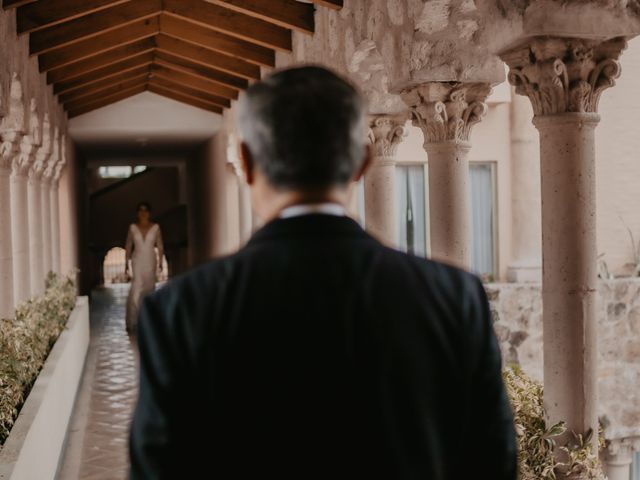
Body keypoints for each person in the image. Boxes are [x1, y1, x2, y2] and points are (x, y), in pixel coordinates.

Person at [129, 66, 517, 479]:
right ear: (362, 162)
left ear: (245, 161)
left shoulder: (180, 310)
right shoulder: (453, 298)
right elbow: (492, 463)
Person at [124, 202, 164, 333]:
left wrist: (160, 263)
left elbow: (160, 246)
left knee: (149, 288)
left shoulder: (156, 227)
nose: (143, 213)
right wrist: (126, 263)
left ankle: (148, 320)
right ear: (137, 213)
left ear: (149, 212)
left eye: (146, 210)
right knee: (136, 289)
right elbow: (129, 245)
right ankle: (133, 321)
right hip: (137, 261)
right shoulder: (132, 227)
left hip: (151, 260)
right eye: (140, 210)